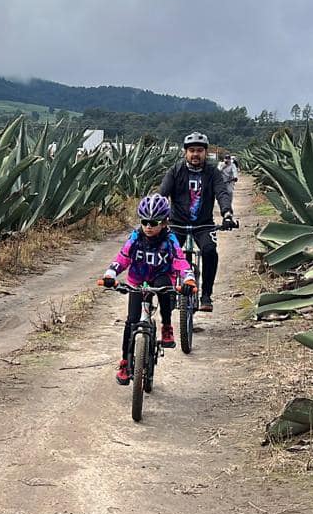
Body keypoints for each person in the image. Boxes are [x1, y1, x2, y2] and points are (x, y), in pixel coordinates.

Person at [101, 194, 195, 384]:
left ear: (164, 222)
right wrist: (110, 274)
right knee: (131, 321)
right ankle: (125, 362)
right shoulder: (135, 237)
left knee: (164, 290)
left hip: (161, 276)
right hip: (138, 280)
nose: (148, 227)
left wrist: (189, 279)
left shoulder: (170, 239)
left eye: (154, 222)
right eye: (144, 222)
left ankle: (167, 326)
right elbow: (123, 258)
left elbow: (180, 261)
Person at [159, 132, 236, 312]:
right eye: (191, 150)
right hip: (177, 223)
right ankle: (169, 291)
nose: (195, 154)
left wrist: (227, 213)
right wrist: (157, 215)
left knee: (209, 251)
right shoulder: (175, 171)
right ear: (185, 152)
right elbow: (163, 194)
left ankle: (206, 294)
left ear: (205, 152)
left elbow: (222, 192)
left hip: (204, 224)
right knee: (166, 253)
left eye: (199, 150)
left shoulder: (213, 173)